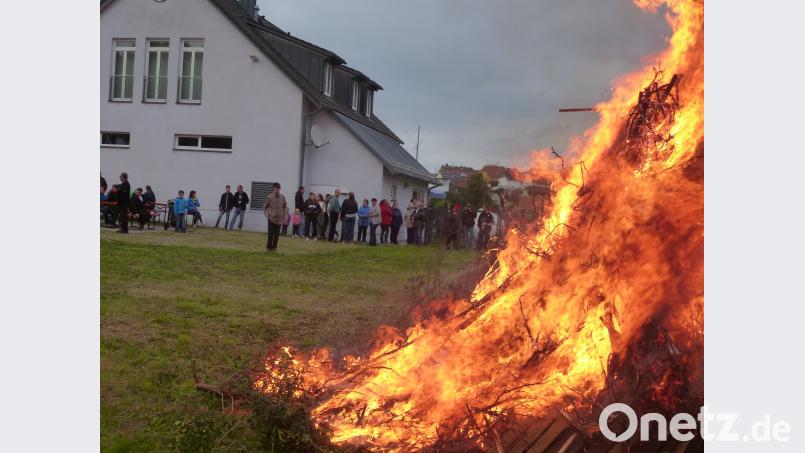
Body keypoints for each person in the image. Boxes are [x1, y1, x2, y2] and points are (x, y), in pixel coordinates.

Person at [263, 182, 287, 252]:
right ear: (273, 189)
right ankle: (269, 248)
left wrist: (285, 215)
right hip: (271, 218)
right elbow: (265, 207)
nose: (277, 190)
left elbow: (285, 206)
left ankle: (274, 248)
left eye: (278, 188)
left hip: (279, 219)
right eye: (276, 188)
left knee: (277, 234)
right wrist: (267, 214)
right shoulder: (269, 197)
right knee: (270, 234)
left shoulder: (283, 197)